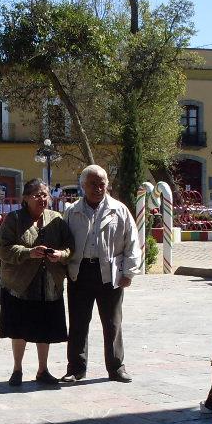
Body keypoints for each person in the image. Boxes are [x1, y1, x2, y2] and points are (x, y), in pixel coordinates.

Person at [63, 164, 142, 383]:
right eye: (93, 184)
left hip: (110, 272)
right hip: (80, 272)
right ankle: (76, 368)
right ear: (83, 186)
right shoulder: (71, 211)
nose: (98, 188)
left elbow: (132, 243)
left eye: (102, 184)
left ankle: (116, 367)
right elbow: (64, 242)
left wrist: (129, 272)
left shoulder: (120, 210)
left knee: (112, 322)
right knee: (78, 322)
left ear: (107, 185)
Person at [0, 178, 74, 387]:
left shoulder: (56, 219)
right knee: (19, 328)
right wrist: (28, 253)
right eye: (37, 195)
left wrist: (60, 254)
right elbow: (2, 248)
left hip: (49, 283)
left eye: (45, 194)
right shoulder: (13, 219)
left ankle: (43, 369)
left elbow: (70, 246)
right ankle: (17, 369)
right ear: (25, 198)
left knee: (45, 327)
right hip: (20, 284)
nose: (42, 198)